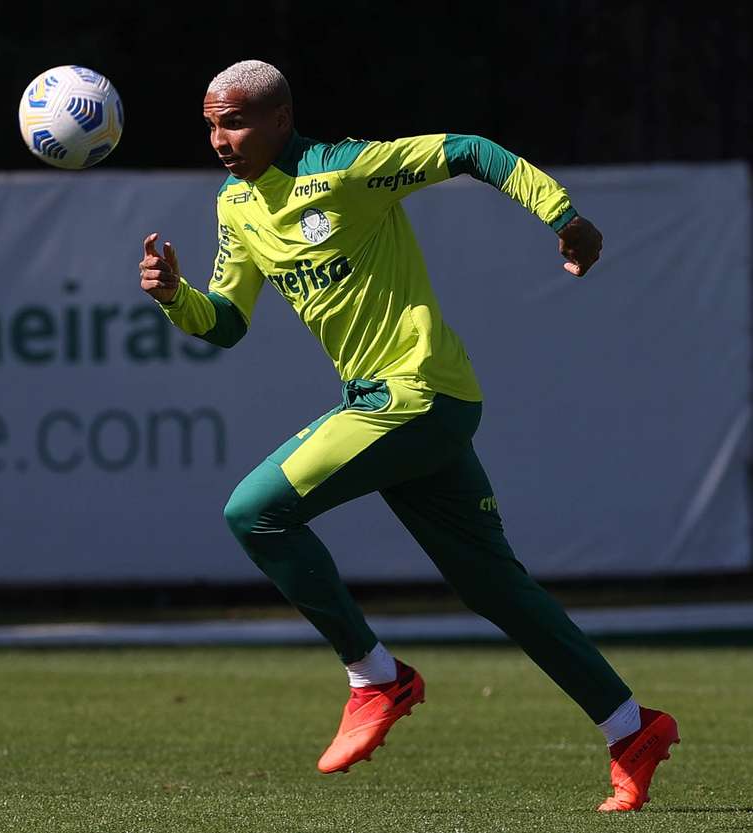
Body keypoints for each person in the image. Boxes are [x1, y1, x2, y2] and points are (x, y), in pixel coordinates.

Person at [139, 59, 679, 812]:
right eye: (210, 124)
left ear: (281, 120)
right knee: (496, 588)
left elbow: (469, 149)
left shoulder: (347, 170)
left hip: (414, 395)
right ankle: (632, 728)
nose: (218, 138)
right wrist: (176, 298)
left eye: (233, 121)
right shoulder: (236, 206)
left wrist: (564, 215)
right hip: (410, 407)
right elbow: (227, 322)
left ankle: (377, 675)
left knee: (252, 511)